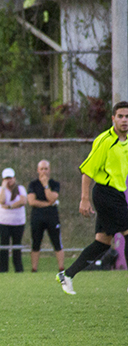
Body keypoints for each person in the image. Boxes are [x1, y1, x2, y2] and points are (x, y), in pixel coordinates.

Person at [57, 101, 128, 295]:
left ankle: (67, 275)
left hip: (117, 194)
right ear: (113, 119)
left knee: (102, 243)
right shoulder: (105, 140)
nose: (124, 120)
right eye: (120, 116)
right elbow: (87, 171)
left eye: (127, 117)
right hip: (105, 193)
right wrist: (84, 199)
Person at [27, 160, 65, 273]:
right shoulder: (33, 184)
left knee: (57, 242)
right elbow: (32, 201)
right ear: (38, 170)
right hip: (37, 217)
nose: (44, 171)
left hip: (52, 217)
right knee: (36, 243)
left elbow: (52, 198)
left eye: (46, 168)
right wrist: (47, 204)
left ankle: (61, 268)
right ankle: (34, 268)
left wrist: (46, 185)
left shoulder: (54, 184)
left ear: (50, 170)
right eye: (42, 168)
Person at [0, 168, 27, 273]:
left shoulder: (21, 189)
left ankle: (18, 269)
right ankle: (3, 270)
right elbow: (1, 200)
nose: (9, 180)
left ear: (14, 178)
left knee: (17, 246)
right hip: (3, 222)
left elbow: (23, 201)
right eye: (6, 178)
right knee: (4, 245)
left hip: (18, 222)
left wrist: (10, 207)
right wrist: (4, 187)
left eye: (10, 178)